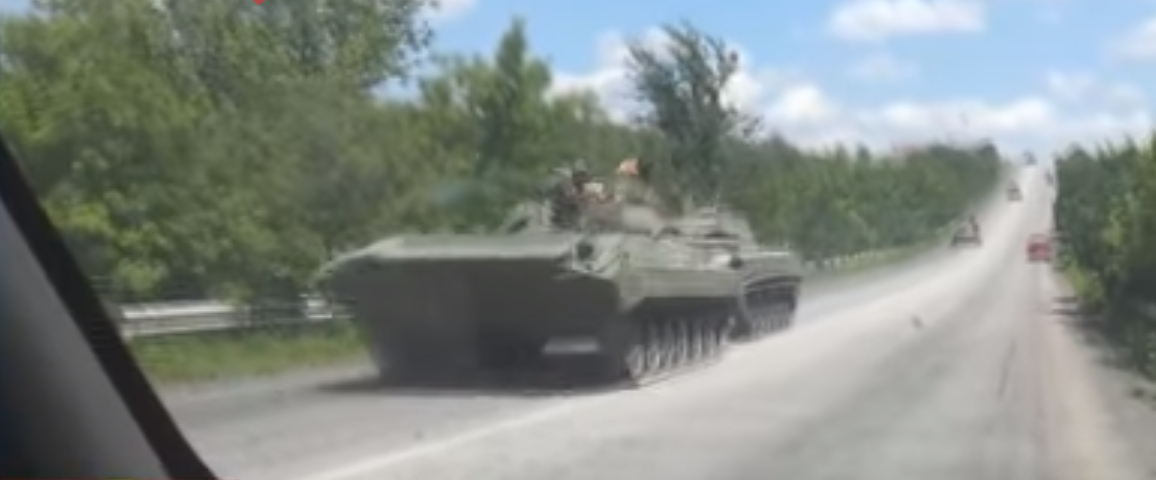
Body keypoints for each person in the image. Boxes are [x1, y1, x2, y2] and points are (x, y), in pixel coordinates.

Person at [544, 159, 593, 230]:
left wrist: (583, 195)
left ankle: (574, 221)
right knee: (565, 204)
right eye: (579, 174)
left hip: (575, 199)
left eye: (582, 174)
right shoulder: (567, 180)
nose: (581, 176)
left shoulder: (583, 181)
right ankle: (564, 220)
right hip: (565, 199)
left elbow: (586, 189)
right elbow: (567, 191)